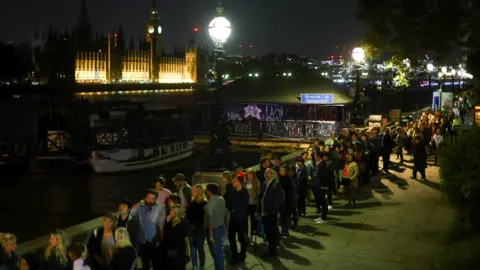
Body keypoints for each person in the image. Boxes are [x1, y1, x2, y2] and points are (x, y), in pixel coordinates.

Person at [130, 189, 165, 270]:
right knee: (145, 264)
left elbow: (161, 225)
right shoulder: (141, 205)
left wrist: (160, 240)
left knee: (156, 264)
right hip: (143, 241)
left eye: (152, 199)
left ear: (156, 199)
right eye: (148, 198)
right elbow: (131, 212)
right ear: (146, 197)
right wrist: (140, 201)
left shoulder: (161, 207)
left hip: (154, 241)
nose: (150, 200)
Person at [259, 169, 284, 258]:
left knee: (271, 232)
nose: (266, 174)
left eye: (268, 173)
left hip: (270, 213)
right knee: (267, 232)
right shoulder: (265, 183)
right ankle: (270, 249)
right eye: (265, 173)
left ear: (272, 174)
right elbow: (261, 196)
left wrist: (273, 211)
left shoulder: (276, 184)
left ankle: (272, 251)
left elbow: (278, 199)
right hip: (264, 211)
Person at [226, 176, 249, 265]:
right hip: (233, 218)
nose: (232, 182)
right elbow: (228, 204)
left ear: (239, 182)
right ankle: (234, 255)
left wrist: (234, 208)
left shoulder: (244, 192)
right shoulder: (232, 192)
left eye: (234, 181)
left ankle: (242, 254)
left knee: (241, 238)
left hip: (241, 219)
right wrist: (232, 209)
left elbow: (243, 206)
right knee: (231, 237)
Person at [205, 184, 227, 270]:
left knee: (217, 252)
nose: (205, 191)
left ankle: (219, 268)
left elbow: (211, 220)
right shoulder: (222, 199)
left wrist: (210, 235)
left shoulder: (211, 202)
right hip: (221, 227)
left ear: (209, 191)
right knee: (219, 250)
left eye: (206, 189)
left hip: (214, 230)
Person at [187, 185, 208, 270]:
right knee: (192, 248)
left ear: (199, 192)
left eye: (194, 191)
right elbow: (189, 215)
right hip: (191, 228)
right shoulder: (191, 201)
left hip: (200, 229)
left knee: (200, 248)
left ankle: (202, 265)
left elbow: (204, 217)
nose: (192, 192)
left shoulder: (204, 203)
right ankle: (194, 265)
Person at [162, 205, 187, 270]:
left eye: (171, 211)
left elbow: (168, 239)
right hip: (179, 251)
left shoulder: (172, 225)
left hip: (172, 252)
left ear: (174, 213)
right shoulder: (182, 223)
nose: (169, 212)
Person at [314, 152, 330, 224]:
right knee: (321, 201)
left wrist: (324, 186)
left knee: (323, 202)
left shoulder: (322, 165)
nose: (314, 157)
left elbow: (324, 176)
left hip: (322, 186)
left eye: (315, 155)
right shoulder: (319, 164)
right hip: (319, 185)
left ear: (319, 157)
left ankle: (324, 217)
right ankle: (322, 216)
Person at [244, 169, 260, 242]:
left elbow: (259, 193)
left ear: (253, 175)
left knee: (253, 220)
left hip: (253, 203)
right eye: (248, 175)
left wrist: (254, 194)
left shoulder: (257, 182)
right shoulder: (245, 182)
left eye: (251, 175)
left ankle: (252, 234)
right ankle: (246, 235)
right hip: (246, 203)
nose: (249, 176)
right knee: (245, 220)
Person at [278, 165, 294, 234]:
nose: (281, 171)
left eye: (282, 170)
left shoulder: (288, 178)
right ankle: (283, 229)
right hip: (280, 199)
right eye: (280, 170)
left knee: (285, 215)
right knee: (282, 215)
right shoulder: (278, 178)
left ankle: (286, 229)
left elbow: (289, 190)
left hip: (286, 199)